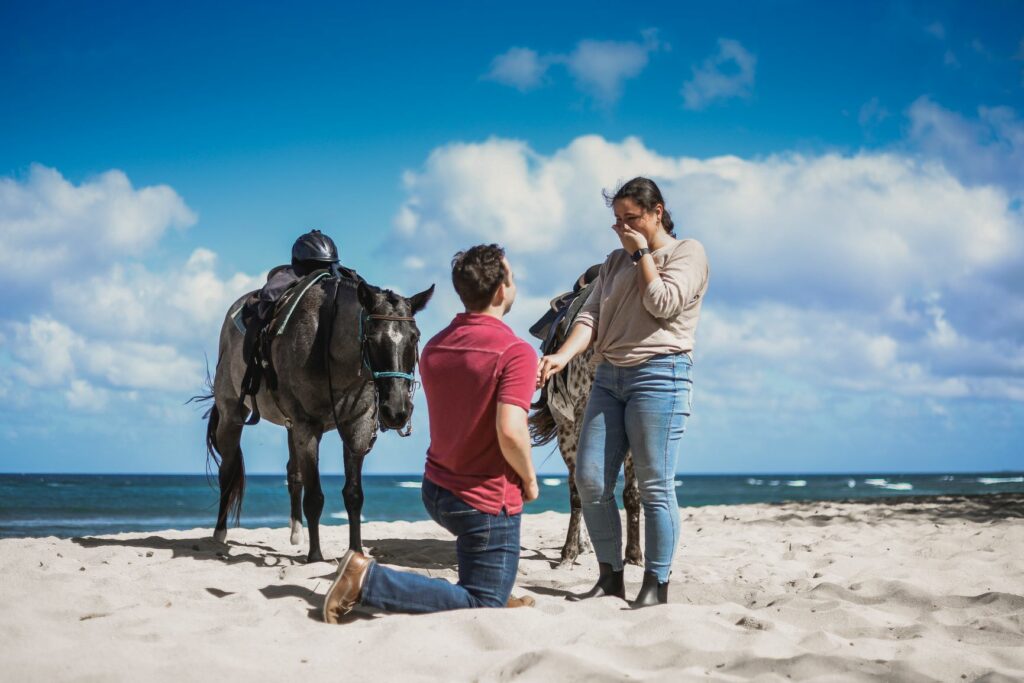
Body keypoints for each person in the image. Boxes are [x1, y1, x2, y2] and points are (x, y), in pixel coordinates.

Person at [323, 244, 540, 623]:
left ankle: (490, 586)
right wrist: (530, 479)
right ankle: (366, 580)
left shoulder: (436, 345)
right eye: (513, 277)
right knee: (484, 601)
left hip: (438, 492)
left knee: (490, 586)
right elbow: (509, 431)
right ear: (503, 289)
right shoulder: (516, 352)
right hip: (483, 502)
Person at [536, 177, 709, 608]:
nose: (622, 227)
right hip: (608, 376)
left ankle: (655, 584)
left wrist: (642, 254)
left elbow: (663, 302)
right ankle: (610, 578)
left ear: (657, 212)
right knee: (590, 478)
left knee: (654, 486)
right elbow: (590, 317)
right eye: (616, 220)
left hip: (660, 375)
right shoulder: (614, 261)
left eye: (631, 218)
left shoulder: (688, 252)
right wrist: (562, 355)